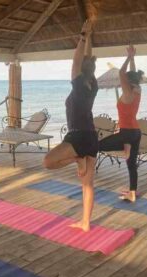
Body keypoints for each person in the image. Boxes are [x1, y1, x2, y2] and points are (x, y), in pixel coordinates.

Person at [42, 20, 98, 232]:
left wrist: (83, 36)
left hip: (78, 136)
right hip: (91, 136)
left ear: (80, 71)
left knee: (47, 162)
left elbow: (77, 62)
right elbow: (86, 60)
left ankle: (77, 158)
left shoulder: (79, 85)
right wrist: (89, 37)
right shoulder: (92, 85)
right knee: (87, 184)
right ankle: (85, 223)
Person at [99, 45, 143, 202]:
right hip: (135, 132)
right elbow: (131, 76)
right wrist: (132, 59)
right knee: (131, 163)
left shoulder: (127, 93)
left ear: (127, 82)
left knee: (97, 146)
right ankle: (132, 193)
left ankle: (83, 165)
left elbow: (121, 73)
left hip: (127, 133)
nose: (121, 82)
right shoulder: (137, 90)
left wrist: (128, 57)